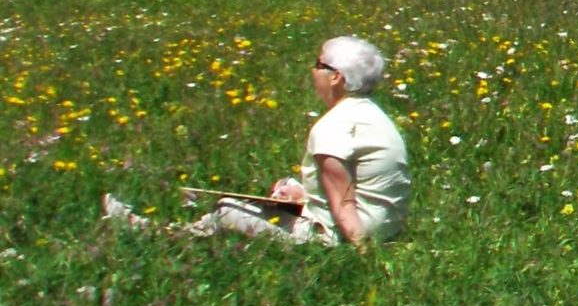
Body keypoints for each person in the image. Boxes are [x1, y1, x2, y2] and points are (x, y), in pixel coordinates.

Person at [103, 35, 411, 248]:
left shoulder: (332, 128)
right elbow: (358, 186)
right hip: (385, 228)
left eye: (319, 65)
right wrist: (302, 195)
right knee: (271, 197)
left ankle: (160, 235)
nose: (312, 70)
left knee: (227, 210)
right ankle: (170, 231)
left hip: (343, 236)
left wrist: (365, 258)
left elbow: (344, 204)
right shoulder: (374, 116)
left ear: (336, 78)